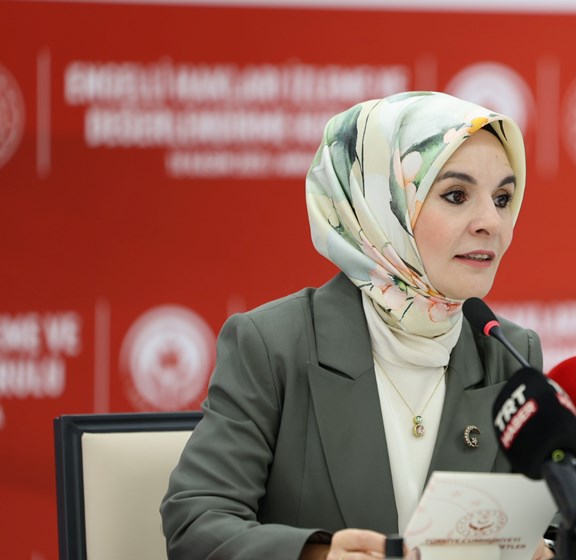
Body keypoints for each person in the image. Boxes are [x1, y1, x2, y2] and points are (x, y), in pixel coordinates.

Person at [161, 92, 552, 560]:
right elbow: (197, 522)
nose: (492, 222)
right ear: (379, 207)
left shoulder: (508, 353)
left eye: (503, 198)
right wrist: (316, 556)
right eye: (455, 195)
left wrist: (547, 551)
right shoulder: (274, 346)